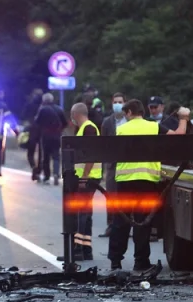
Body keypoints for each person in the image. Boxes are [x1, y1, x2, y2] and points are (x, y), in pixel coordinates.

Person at [109, 99, 161, 272]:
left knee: (120, 222)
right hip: (147, 181)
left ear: (130, 112)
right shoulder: (154, 127)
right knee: (142, 222)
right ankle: (141, 261)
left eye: (125, 114)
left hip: (125, 182)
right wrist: (183, 118)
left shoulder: (121, 129)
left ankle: (115, 261)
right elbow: (177, 135)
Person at [70, 102, 101, 261]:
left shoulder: (89, 128)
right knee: (86, 214)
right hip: (87, 177)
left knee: (81, 213)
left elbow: (91, 154)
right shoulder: (85, 128)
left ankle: (78, 249)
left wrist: (84, 176)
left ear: (75, 114)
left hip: (87, 177)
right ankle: (86, 250)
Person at [99, 92, 126, 237]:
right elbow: (103, 144)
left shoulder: (129, 120)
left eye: (120, 101)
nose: (117, 104)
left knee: (126, 196)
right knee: (111, 196)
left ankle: (127, 224)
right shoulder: (107, 122)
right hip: (112, 165)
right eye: (115, 102)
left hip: (128, 164)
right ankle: (111, 225)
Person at [35, 92, 68, 185]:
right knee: (56, 156)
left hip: (46, 136)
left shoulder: (42, 109)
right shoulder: (59, 109)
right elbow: (65, 123)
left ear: (44, 100)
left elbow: (37, 122)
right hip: (57, 136)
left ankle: (47, 176)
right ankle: (56, 174)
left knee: (46, 157)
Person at [22, 89, 44, 181]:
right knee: (41, 152)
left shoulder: (29, 104)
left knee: (30, 151)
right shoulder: (44, 106)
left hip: (31, 129)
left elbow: (23, 115)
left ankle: (33, 166)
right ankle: (38, 170)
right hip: (42, 130)